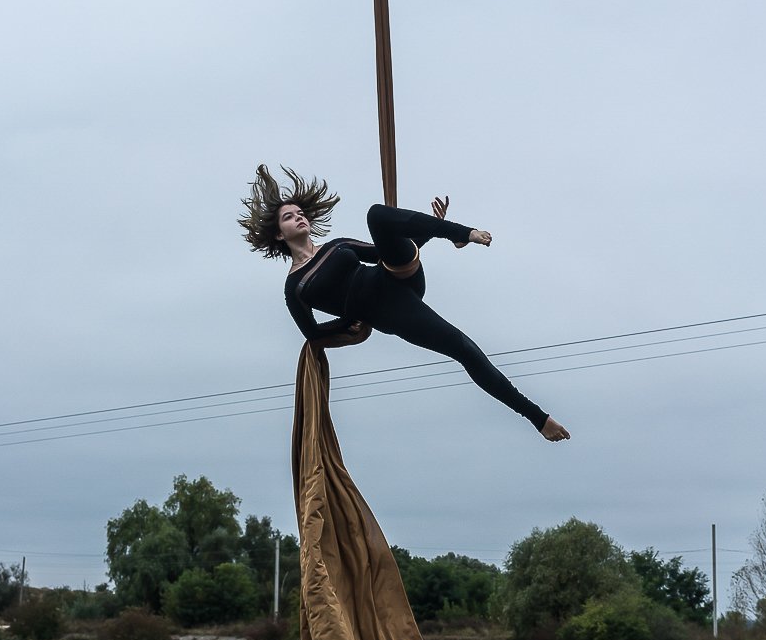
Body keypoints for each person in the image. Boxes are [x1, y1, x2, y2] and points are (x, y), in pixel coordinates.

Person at [240, 165, 570, 441]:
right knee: (464, 349)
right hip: (392, 312)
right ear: (279, 235)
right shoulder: (295, 286)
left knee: (377, 215)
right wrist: (349, 323)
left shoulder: (335, 246)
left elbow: (385, 250)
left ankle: (459, 232)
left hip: (394, 276)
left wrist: (431, 226)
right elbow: (311, 333)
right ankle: (539, 419)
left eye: (300, 213)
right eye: (289, 217)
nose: (299, 218)